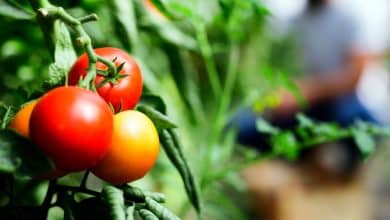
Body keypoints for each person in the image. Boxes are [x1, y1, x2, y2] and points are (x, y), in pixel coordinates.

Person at [233, 0, 376, 178]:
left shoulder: (348, 19)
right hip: (305, 108)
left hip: (340, 102)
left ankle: (346, 170)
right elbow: (284, 69)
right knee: (241, 126)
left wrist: (307, 91)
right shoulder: (295, 22)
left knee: (364, 124)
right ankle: (299, 161)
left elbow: (354, 76)